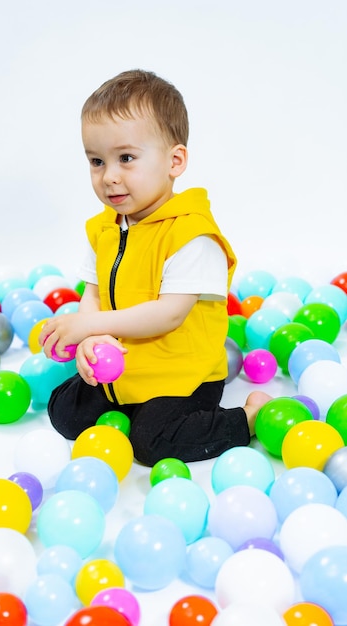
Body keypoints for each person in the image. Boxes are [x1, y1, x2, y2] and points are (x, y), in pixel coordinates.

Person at [40, 69, 271, 466]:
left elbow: (169, 313)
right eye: (97, 161)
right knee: (65, 411)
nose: (109, 177)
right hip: (127, 368)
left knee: (152, 443)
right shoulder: (105, 229)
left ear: (174, 161)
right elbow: (93, 294)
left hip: (184, 375)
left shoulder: (192, 234)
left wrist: (90, 328)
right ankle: (132, 409)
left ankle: (245, 419)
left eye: (126, 158)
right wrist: (91, 343)